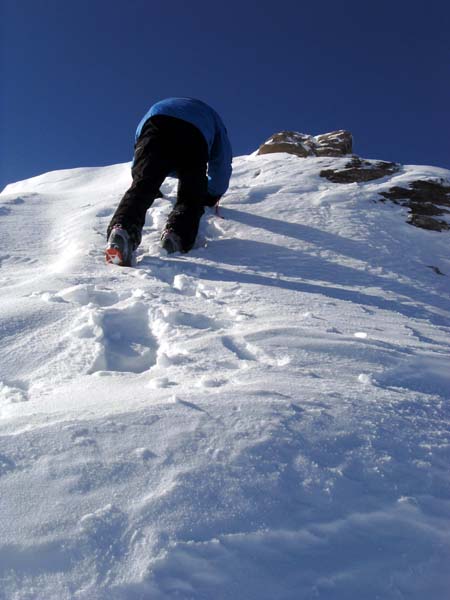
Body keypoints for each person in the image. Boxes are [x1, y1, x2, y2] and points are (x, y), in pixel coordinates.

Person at [105, 97, 233, 266]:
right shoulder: (213, 117)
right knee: (191, 195)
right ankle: (177, 234)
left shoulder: (160, 105)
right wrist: (213, 193)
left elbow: (140, 149)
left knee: (143, 184)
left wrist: (142, 178)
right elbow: (221, 161)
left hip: (155, 123)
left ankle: (122, 229)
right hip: (195, 135)